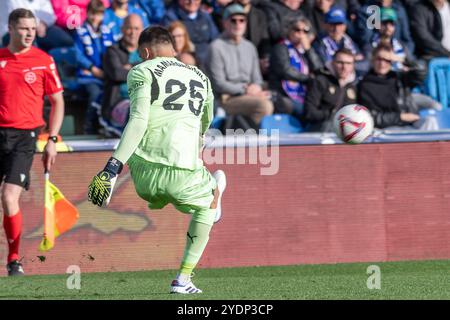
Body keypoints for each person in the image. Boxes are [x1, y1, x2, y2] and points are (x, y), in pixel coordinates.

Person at [88, 26, 226, 294]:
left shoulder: (141, 70)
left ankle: (185, 196)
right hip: (183, 170)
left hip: (143, 174)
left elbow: (137, 120)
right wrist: (195, 141)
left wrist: (112, 168)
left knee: (164, 194)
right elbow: (204, 124)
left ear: (145, 52)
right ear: (173, 50)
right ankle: (183, 280)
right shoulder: (201, 77)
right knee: (209, 204)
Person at [0, 9, 64, 276]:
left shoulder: (43, 60)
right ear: (11, 28)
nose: (29, 33)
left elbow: (57, 101)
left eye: (32, 28)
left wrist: (51, 139)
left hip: (25, 138)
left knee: (8, 195)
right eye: (24, 28)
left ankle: (14, 259)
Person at [206, 4, 273, 127]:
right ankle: (248, 138)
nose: (238, 24)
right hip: (225, 98)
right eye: (233, 20)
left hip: (250, 95)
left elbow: (257, 78)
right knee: (264, 106)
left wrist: (256, 88)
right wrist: (245, 90)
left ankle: (248, 135)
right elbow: (219, 84)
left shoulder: (250, 47)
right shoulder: (216, 47)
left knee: (276, 99)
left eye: (242, 20)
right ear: (224, 23)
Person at [358, 44, 441, 130]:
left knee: (430, 121)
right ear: (373, 60)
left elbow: (421, 72)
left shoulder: (399, 78)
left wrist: (403, 59)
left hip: (409, 123)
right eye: (379, 59)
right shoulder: (365, 84)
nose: (382, 63)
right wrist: (400, 117)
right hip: (387, 127)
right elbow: (372, 117)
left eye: (387, 60)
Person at [268, 16, 323, 118]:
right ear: (289, 31)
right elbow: (285, 70)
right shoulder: (280, 48)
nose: (301, 34)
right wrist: (308, 78)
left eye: (305, 31)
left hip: (306, 95)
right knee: (310, 112)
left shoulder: (306, 52)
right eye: (297, 30)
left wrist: (308, 50)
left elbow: (319, 70)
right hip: (283, 93)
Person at [73, 0, 114, 134]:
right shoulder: (80, 31)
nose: (95, 18)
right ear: (87, 13)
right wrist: (92, 68)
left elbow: (113, 52)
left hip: (106, 76)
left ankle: (108, 126)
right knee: (95, 94)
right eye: (92, 14)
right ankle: (88, 128)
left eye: (99, 15)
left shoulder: (107, 32)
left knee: (114, 93)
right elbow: (77, 55)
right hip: (88, 77)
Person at [101, 14, 144, 136]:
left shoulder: (147, 52)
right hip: (118, 102)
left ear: (142, 30)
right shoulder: (112, 51)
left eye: (136, 28)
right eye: (129, 28)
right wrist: (141, 68)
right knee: (135, 109)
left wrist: (130, 67)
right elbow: (116, 74)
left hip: (143, 98)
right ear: (122, 29)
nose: (132, 32)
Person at [303, 48, 358, 131]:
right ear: (332, 63)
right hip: (320, 129)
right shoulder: (321, 80)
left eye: (348, 63)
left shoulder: (353, 86)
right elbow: (309, 113)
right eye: (340, 62)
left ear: (353, 65)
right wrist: (332, 114)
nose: (344, 67)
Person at [162, 0, 220, 68]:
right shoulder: (170, 17)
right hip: (186, 61)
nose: (192, 2)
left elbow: (215, 38)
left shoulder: (205, 16)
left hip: (209, 60)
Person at [313, 6, 368, 75]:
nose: (336, 29)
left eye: (340, 24)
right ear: (325, 25)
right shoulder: (319, 43)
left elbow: (365, 65)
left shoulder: (349, 41)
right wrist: (352, 60)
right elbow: (325, 65)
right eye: (332, 25)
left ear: (345, 26)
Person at [1, 0, 74, 51]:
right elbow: (20, 15)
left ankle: (53, 69)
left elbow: (49, 13)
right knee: (29, 47)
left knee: (66, 41)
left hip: (42, 26)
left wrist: (44, 23)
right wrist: (37, 24)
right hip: (14, 30)